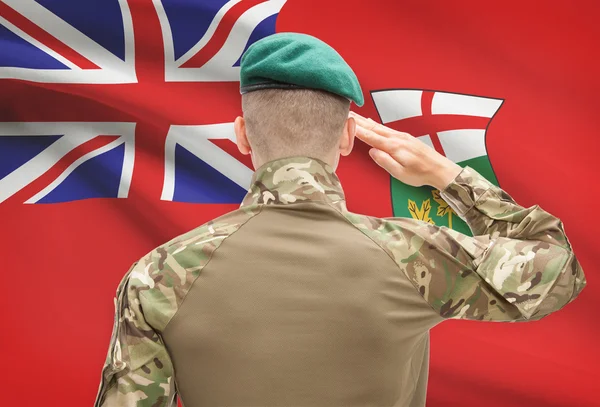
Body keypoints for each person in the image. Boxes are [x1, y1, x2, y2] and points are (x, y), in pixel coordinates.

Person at [94, 32, 587, 407]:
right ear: (349, 137)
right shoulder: (414, 256)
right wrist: (447, 175)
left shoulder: (158, 275)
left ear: (242, 135)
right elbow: (558, 267)